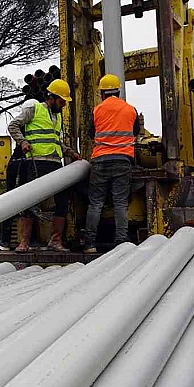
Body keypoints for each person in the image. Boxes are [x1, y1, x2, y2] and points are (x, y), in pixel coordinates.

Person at [8, 79, 82, 252]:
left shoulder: (59, 117)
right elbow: (13, 126)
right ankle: (24, 241)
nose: (64, 105)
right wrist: (23, 141)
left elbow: (55, 140)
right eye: (62, 101)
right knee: (30, 201)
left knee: (62, 201)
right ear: (52, 97)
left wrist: (70, 152)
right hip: (36, 162)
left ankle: (55, 241)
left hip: (55, 164)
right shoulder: (34, 109)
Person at [84, 74, 140, 253]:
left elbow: (91, 134)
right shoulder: (130, 110)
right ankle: (121, 242)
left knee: (96, 203)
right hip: (123, 160)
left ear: (102, 92)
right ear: (118, 90)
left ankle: (90, 244)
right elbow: (135, 131)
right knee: (120, 203)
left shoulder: (97, 110)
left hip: (100, 160)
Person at [0, 92, 44, 251]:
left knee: (12, 202)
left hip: (18, 164)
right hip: (25, 164)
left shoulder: (24, 127)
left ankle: (5, 240)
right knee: (29, 201)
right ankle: (31, 240)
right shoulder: (32, 125)